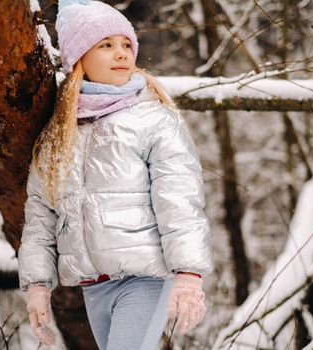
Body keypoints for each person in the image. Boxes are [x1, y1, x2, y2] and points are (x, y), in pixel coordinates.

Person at [18, 0, 213, 348]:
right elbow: (40, 215)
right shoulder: (58, 132)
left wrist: (188, 274)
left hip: (145, 278)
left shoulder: (154, 120)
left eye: (126, 45)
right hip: (95, 285)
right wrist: (37, 285)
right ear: (79, 58)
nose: (121, 53)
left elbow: (179, 201)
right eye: (106, 45)